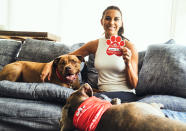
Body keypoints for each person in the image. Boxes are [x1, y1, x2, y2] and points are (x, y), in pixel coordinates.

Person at [41, 5, 186, 123]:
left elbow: (133, 84)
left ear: (121, 23)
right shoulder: (95, 44)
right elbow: (70, 56)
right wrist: (49, 64)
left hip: (125, 94)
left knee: (91, 109)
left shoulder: (129, 46)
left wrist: (128, 62)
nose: (111, 22)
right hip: (103, 93)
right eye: (108, 18)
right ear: (102, 21)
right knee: (79, 106)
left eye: (116, 19)